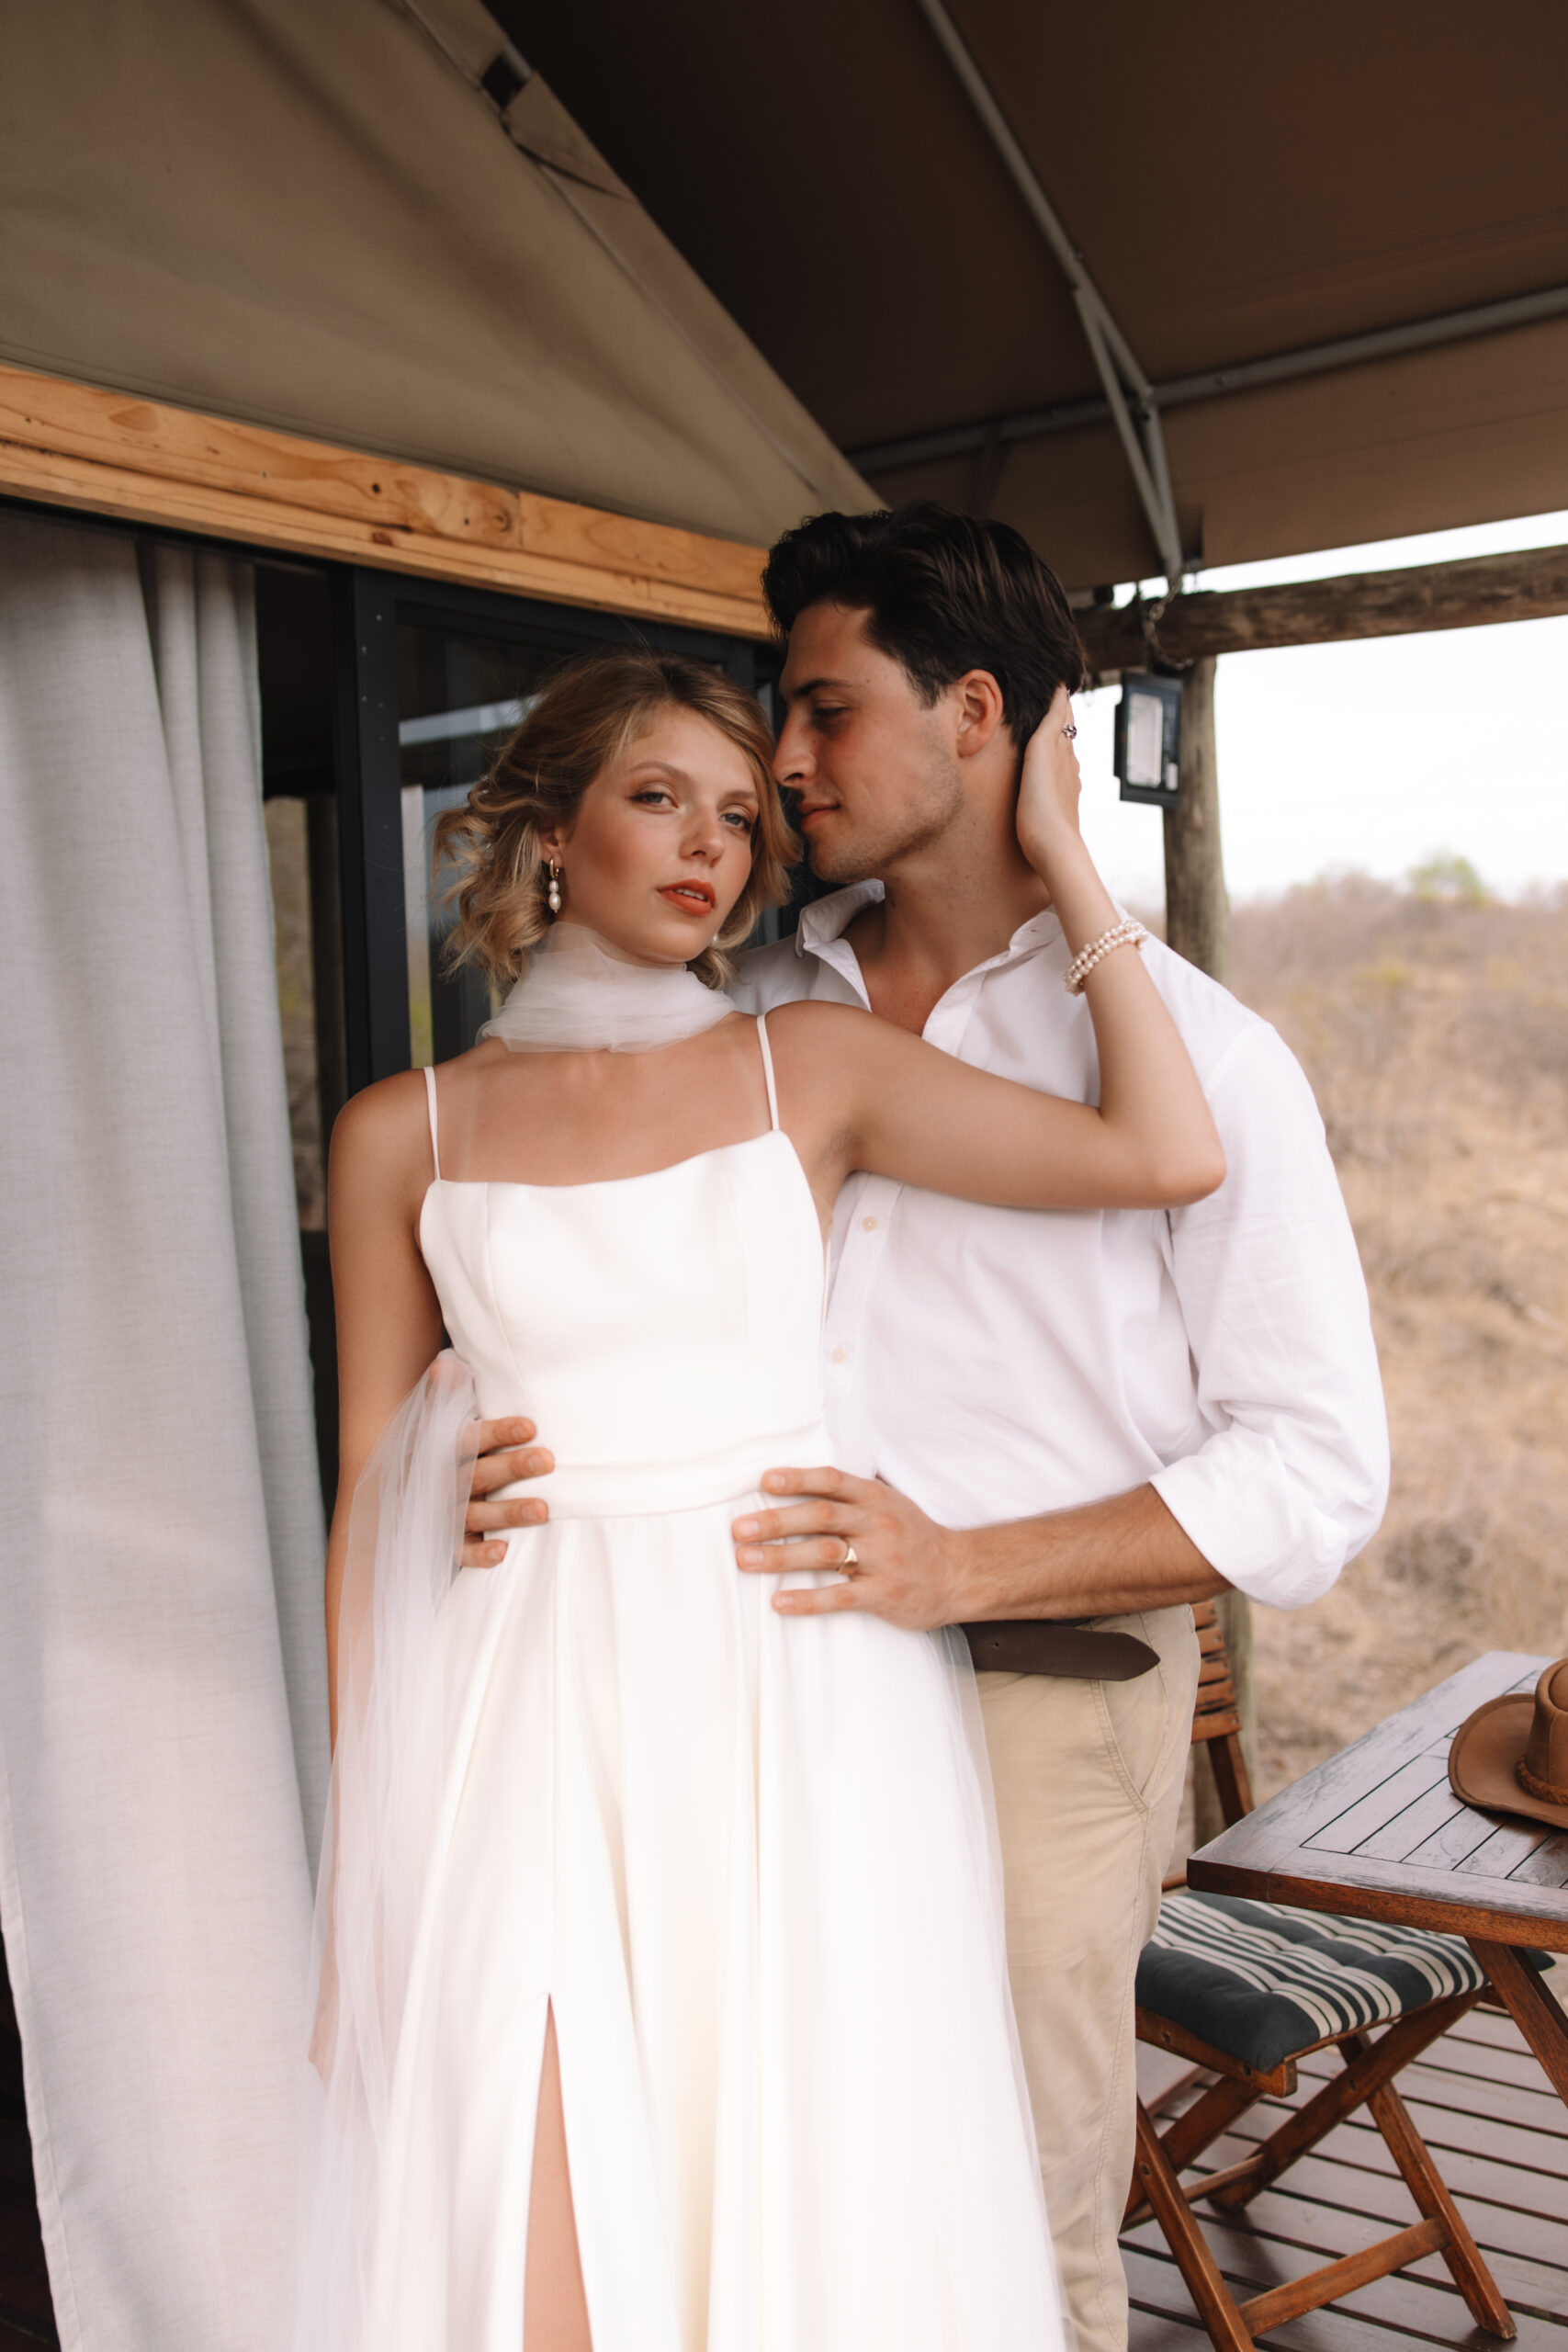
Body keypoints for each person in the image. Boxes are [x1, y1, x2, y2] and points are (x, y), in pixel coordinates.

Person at [463, 508, 1391, 2352]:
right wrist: (471, 1436)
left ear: (977, 710)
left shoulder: (1197, 1058)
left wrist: (959, 1559)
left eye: (819, 710)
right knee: (754, 2216)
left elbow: (1309, 1463)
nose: (778, 766)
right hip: (720, 1699)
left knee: (998, 2242)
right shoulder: (728, 1006)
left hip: (1027, 1711)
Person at [298, 642, 1225, 2352]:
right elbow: (367, 1498)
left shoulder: (811, 1065)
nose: (710, 845)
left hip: (791, 1686)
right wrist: (363, 1878)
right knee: (534, 2180)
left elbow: (1166, 1152)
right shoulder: (400, 1132)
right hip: (529, 1705)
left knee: (805, 2194)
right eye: (657, 799)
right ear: (552, 833)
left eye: (739, 814)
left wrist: (1071, 859)